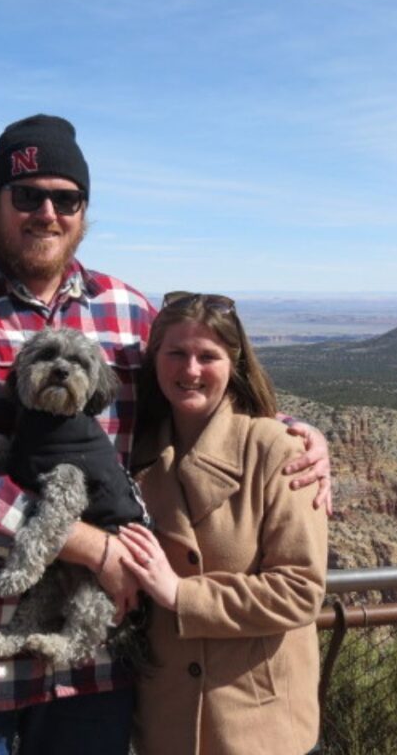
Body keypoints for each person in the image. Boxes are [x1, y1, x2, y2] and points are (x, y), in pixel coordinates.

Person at [0, 114, 331, 755]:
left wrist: (293, 432)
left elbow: (191, 394)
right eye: (26, 195)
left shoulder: (126, 310)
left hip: (92, 667)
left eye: (66, 199)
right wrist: (98, 550)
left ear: (84, 210)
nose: (47, 212)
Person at [118, 291, 328, 755]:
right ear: (155, 360)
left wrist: (180, 594)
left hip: (259, 725)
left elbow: (300, 590)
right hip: (166, 722)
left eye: (207, 356)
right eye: (175, 353)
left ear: (233, 362)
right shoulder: (134, 454)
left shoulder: (277, 452)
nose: (189, 370)